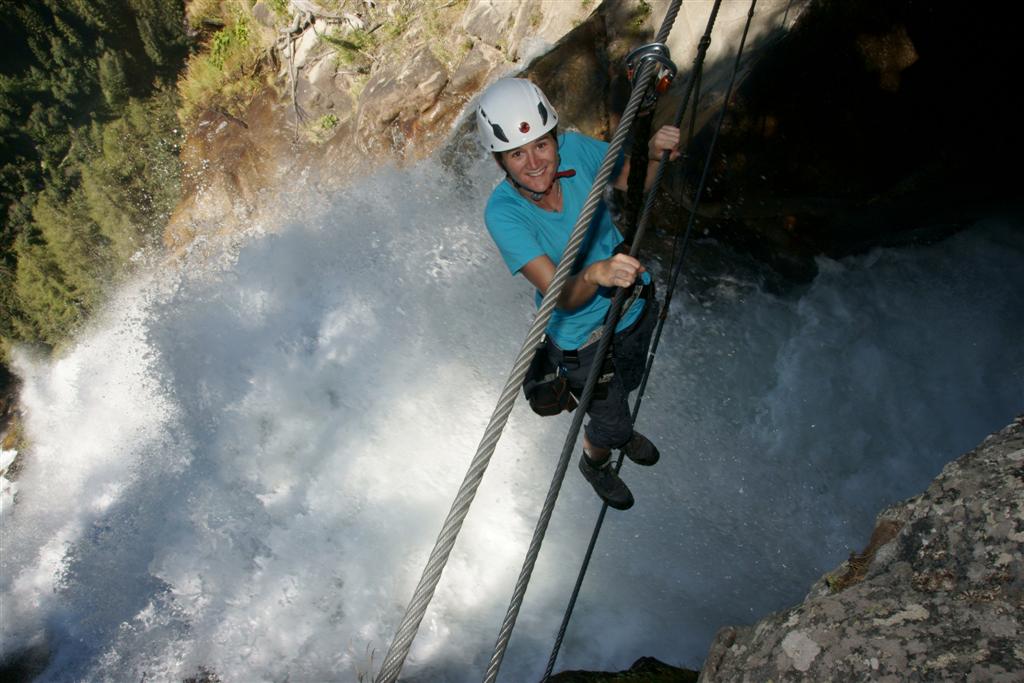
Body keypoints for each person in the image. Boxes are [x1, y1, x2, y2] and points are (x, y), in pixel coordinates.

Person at [477, 78, 680, 510]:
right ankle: (596, 459)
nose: (535, 163)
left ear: (554, 139)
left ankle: (616, 428)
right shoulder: (503, 213)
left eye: (541, 145)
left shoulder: (574, 149)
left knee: (628, 384)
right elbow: (561, 296)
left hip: (631, 307)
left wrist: (655, 152)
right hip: (580, 341)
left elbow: (634, 179)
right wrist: (595, 273)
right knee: (610, 423)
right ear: (500, 162)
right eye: (517, 154)